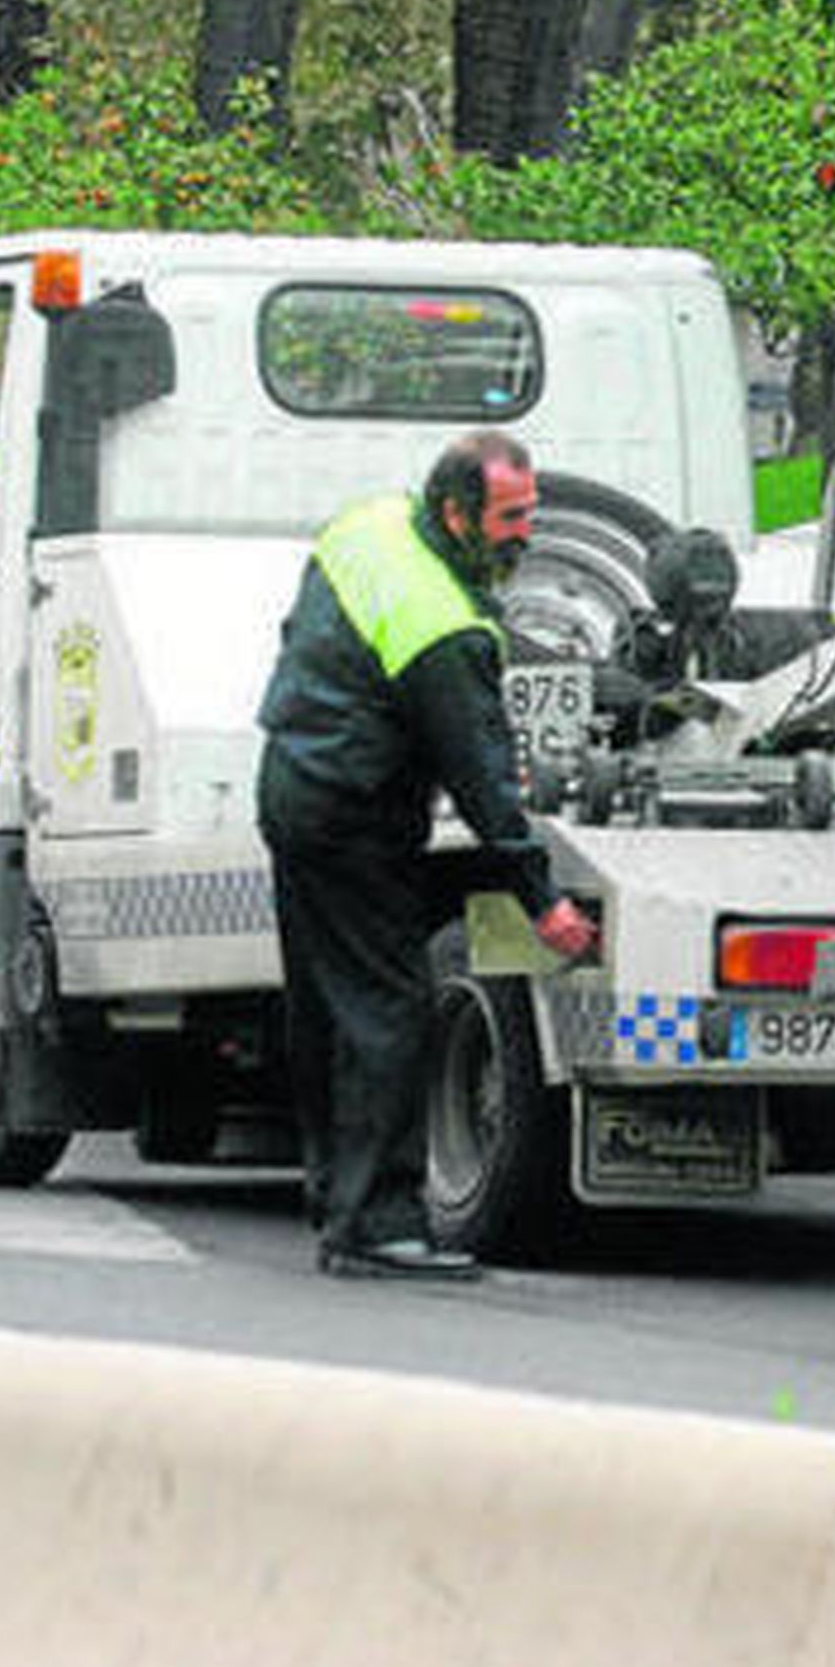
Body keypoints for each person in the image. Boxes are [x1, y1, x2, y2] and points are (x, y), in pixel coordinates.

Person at [256, 430, 597, 1280]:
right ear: (456, 512)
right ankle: (377, 1224)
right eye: (511, 517)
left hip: (294, 784)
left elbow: (301, 627)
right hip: (355, 815)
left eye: (531, 513)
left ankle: (335, 1197)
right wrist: (543, 899)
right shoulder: (442, 623)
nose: (526, 533)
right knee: (392, 1012)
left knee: (326, 1010)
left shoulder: (367, 525)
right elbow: (485, 785)